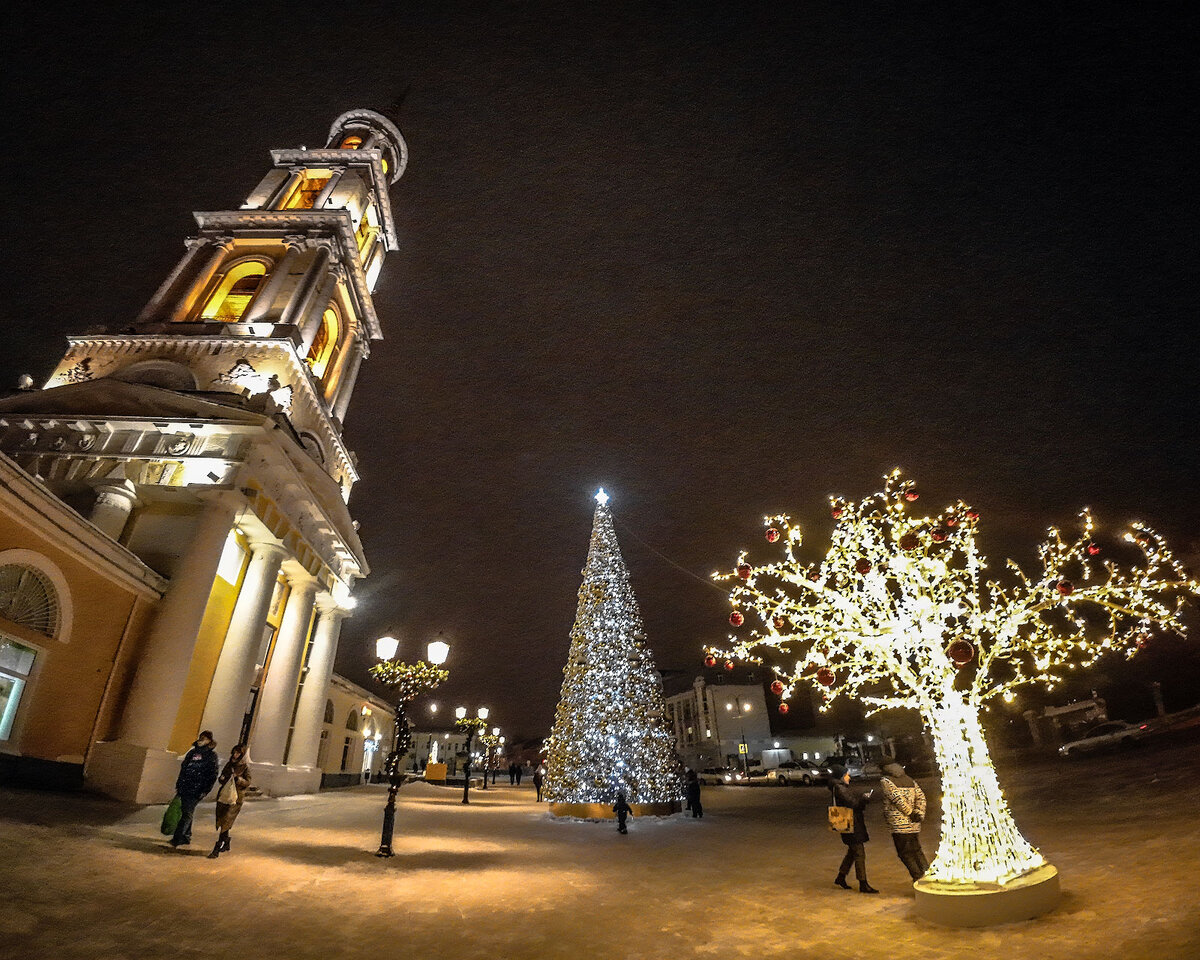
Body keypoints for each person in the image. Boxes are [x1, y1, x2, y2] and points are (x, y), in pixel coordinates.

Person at [828, 765, 878, 893]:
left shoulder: (839, 787)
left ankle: (841, 877)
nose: (849, 777)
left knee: (852, 851)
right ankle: (863, 883)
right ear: (841, 776)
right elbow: (853, 804)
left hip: (848, 822)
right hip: (850, 823)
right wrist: (864, 799)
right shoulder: (840, 788)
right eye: (846, 775)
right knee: (859, 852)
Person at [879, 761, 929, 880]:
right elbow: (921, 797)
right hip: (914, 823)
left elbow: (897, 799)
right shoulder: (910, 780)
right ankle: (928, 875)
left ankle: (918, 877)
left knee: (905, 853)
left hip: (899, 824)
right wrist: (919, 813)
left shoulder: (886, 781)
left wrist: (910, 813)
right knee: (917, 850)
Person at [170, 731, 218, 848]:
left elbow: (212, 774)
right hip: (185, 787)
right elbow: (184, 769)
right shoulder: (192, 753)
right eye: (201, 737)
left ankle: (178, 838)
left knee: (187, 813)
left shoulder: (211, 756)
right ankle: (186, 836)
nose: (201, 740)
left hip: (197, 789)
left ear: (209, 741)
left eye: (205, 738)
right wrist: (179, 784)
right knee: (187, 811)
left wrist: (205, 790)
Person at [208, 743, 251, 859]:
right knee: (222, 820)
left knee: (227, 820)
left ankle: (217, 847)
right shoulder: (229, 764)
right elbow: (223, 777)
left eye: (238, 753)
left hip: (235, 799)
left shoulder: (245, 766)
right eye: (234, 752)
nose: (235, 755)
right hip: (224, 796)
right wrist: (222, 779)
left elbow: (247, 782)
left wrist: (239, 780)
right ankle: (226, 842)